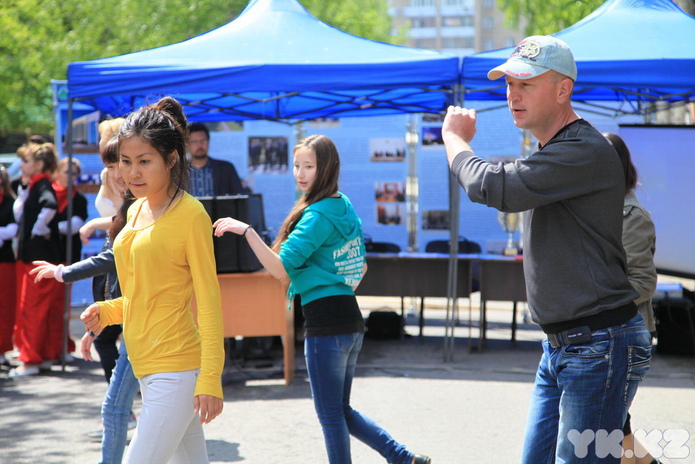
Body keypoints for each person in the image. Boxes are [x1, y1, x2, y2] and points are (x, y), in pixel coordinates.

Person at [441, 36, 652, 464]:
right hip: (567, 345)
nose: (513, 94)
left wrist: (453, 138)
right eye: (509, 84)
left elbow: (489, 185)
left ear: (562, 90)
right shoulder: (556, 151)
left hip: (597, 343)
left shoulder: (582, 149)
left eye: (526, 83)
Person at [213, 134, 431, 464]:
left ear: (326, 168)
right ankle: (402, 458)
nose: (300, 174)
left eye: (309, 166)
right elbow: (361, 265)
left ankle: (401, 458)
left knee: (331, 416)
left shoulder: (317, 215)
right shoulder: (342, 205)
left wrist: (246, 231)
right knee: (339, 410)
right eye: (297, 165)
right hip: (349, 321)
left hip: (327, 326)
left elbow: (279, 267)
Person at [80, 96, 224, 463]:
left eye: (144, 161)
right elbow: (147, 292)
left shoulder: (191, 215)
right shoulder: (137, 209)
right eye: (126, 162)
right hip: (147, 364)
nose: (132, 173)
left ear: (171, 159)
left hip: (175, 368)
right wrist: (109, 311)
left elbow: (208, 301)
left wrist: (210, 377)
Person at [32, 137, 140, 464]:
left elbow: (115, 261)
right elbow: (116, 264)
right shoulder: (136, 201)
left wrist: (64, 273)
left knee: (117, 408)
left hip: (151, 326)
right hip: (138, 313)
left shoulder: (150, 206)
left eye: (137, 161)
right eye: (114, 163)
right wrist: (97, 322)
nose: (122, 170)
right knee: (137, 411)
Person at [605, 133, 661, 464]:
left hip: (622, 338)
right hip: (604, 338)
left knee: (606, 436)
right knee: (615, 436)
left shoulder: (631, 215)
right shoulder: (600, 209)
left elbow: (643, 281)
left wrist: (597, 304)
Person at [10, 142, 66, 377]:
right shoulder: (33, 185)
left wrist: (37, 229)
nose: (22, 165)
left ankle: (32, 360)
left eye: (26, 161)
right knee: (40, 309)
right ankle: (43, 355)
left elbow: (50, 207)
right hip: (35, 257)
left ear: (39, 164)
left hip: (37, 259)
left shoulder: (43, 185)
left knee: (33, 310)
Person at [80, 118, 126, 244]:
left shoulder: (131, 177)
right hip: (113, 245)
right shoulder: (106, 174)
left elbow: (129, 217)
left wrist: (94, 224)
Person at [187, 122, 243, 196]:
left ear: (209, 141)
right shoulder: (178, 171)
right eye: (195, 142)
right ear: (187, 144)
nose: (200, 145)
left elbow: (240, 197)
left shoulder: (226, 168)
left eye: (203, 141)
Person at [0, 166, 18, 367]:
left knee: (4, 307)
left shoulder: (9, 202)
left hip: (4, 261)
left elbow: (13, 229)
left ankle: (2, 349)